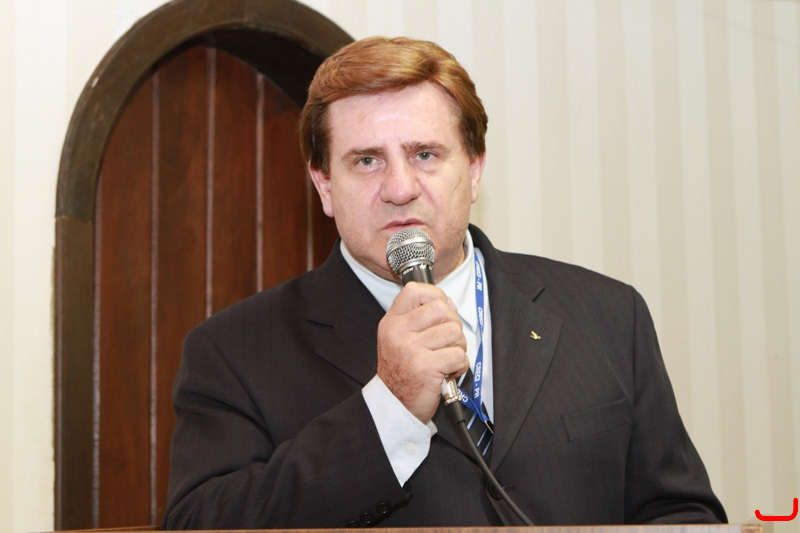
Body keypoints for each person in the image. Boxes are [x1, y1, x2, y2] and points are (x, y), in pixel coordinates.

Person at [163, 36, 726, 528]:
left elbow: (681, 515)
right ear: (325, 185)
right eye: (366, 161)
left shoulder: (609, 315)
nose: (400, 188)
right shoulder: (235, 350)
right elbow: (199, 527)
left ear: (474, 168)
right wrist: (389, 409)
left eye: (425, 154)